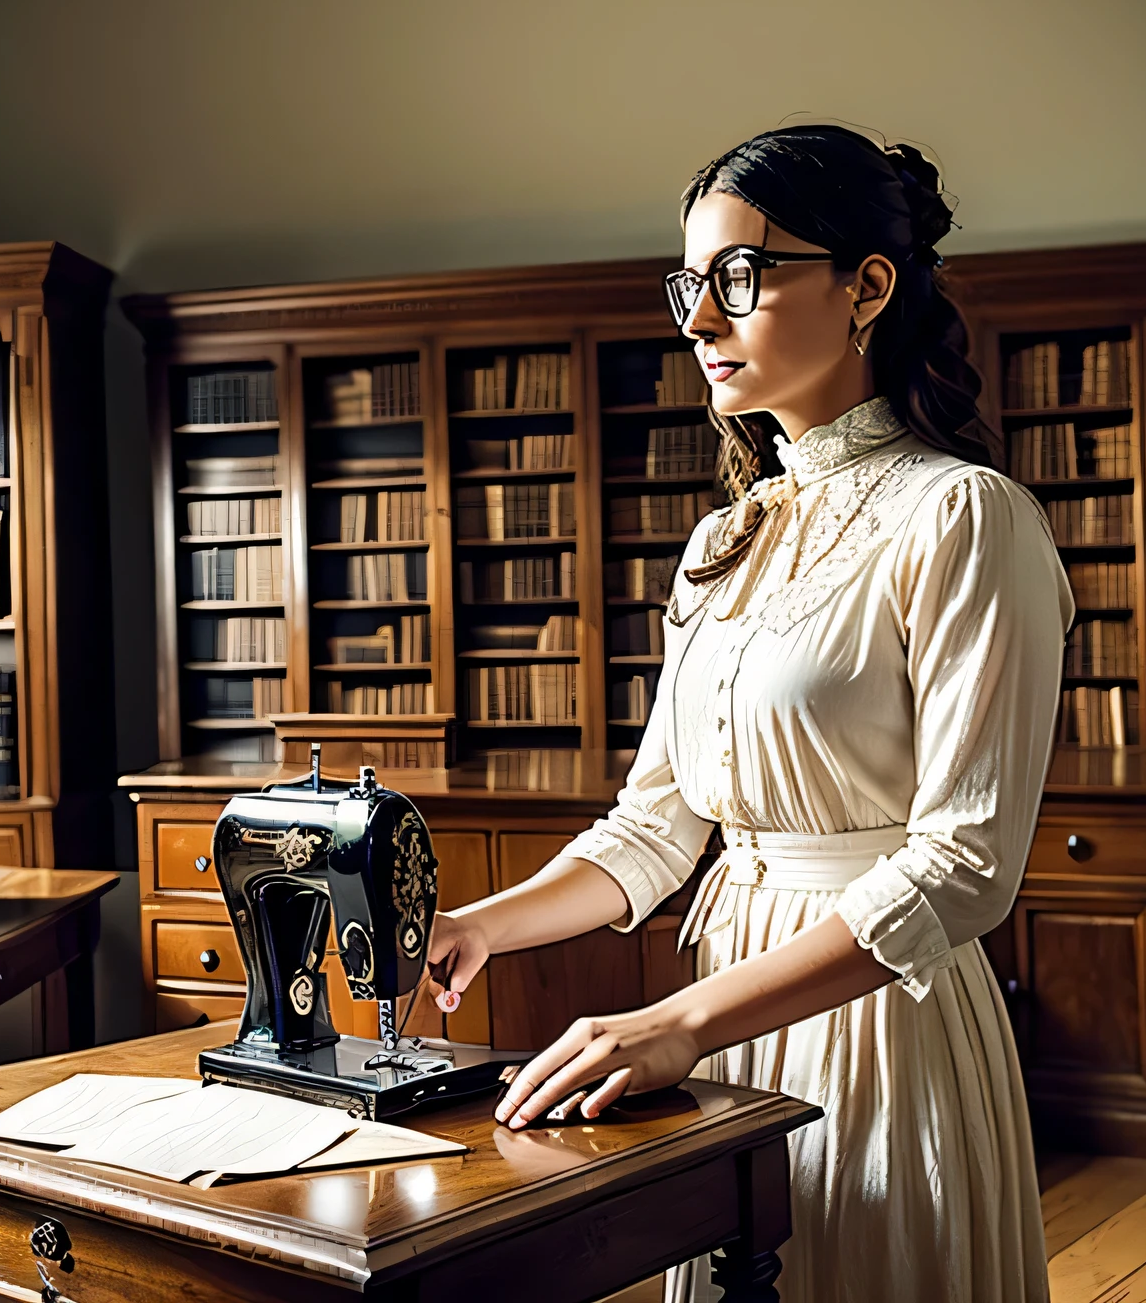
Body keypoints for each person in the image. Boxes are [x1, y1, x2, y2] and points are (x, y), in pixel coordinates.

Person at [426, 125, 1067, 1302]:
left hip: (877, 1015)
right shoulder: (723, 540)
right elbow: (655, 827)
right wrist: (479, 922)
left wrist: (679, 1020)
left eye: (738, 275)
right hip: (713, 1007)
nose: (698, 321)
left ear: (866, 284)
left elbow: (966, 864)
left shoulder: (964, 517)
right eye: (689, 284)